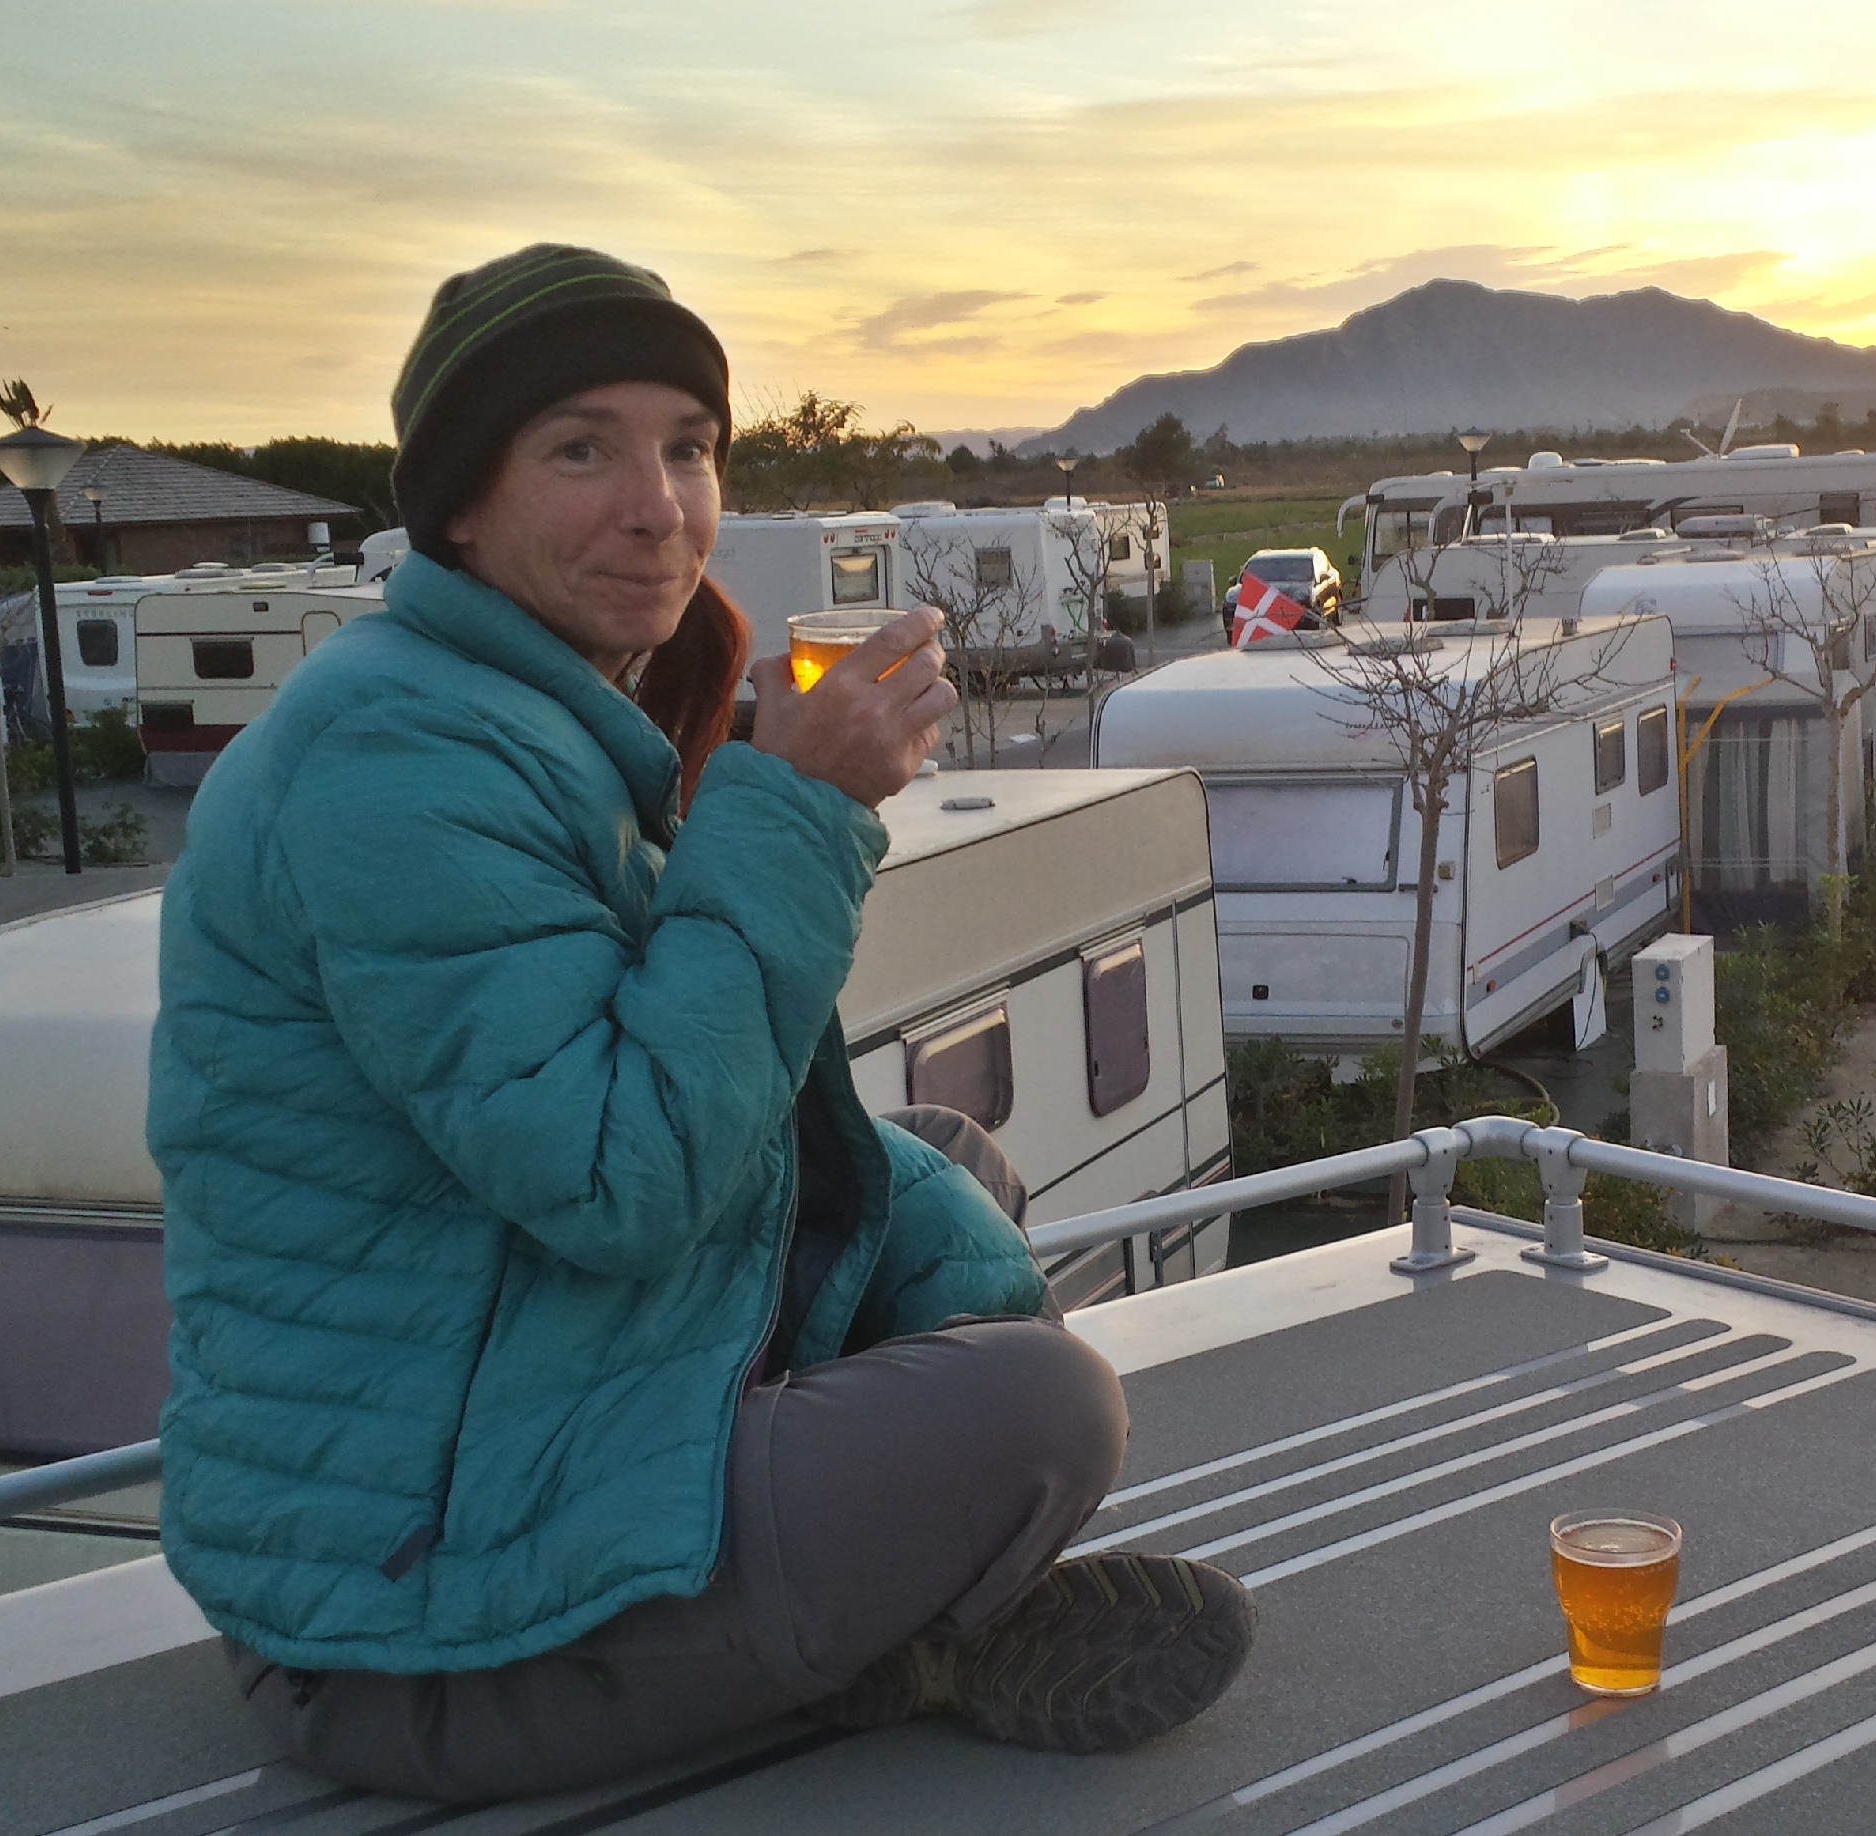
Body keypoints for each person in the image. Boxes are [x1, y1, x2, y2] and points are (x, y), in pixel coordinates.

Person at [148, 244, 1254, 1803]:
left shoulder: (522, 715)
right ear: (460, 504)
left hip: (517, 1409)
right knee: (1043, 1414)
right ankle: (908, 1636)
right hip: (408, 1622)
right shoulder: (394, 764)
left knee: (937, 1159)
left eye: (688, 448)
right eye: (580, 450)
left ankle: (900, 1603)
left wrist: (962, 1304)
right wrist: (796, 806)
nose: (658, 506)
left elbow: (683, 1119)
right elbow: (623, 1179)